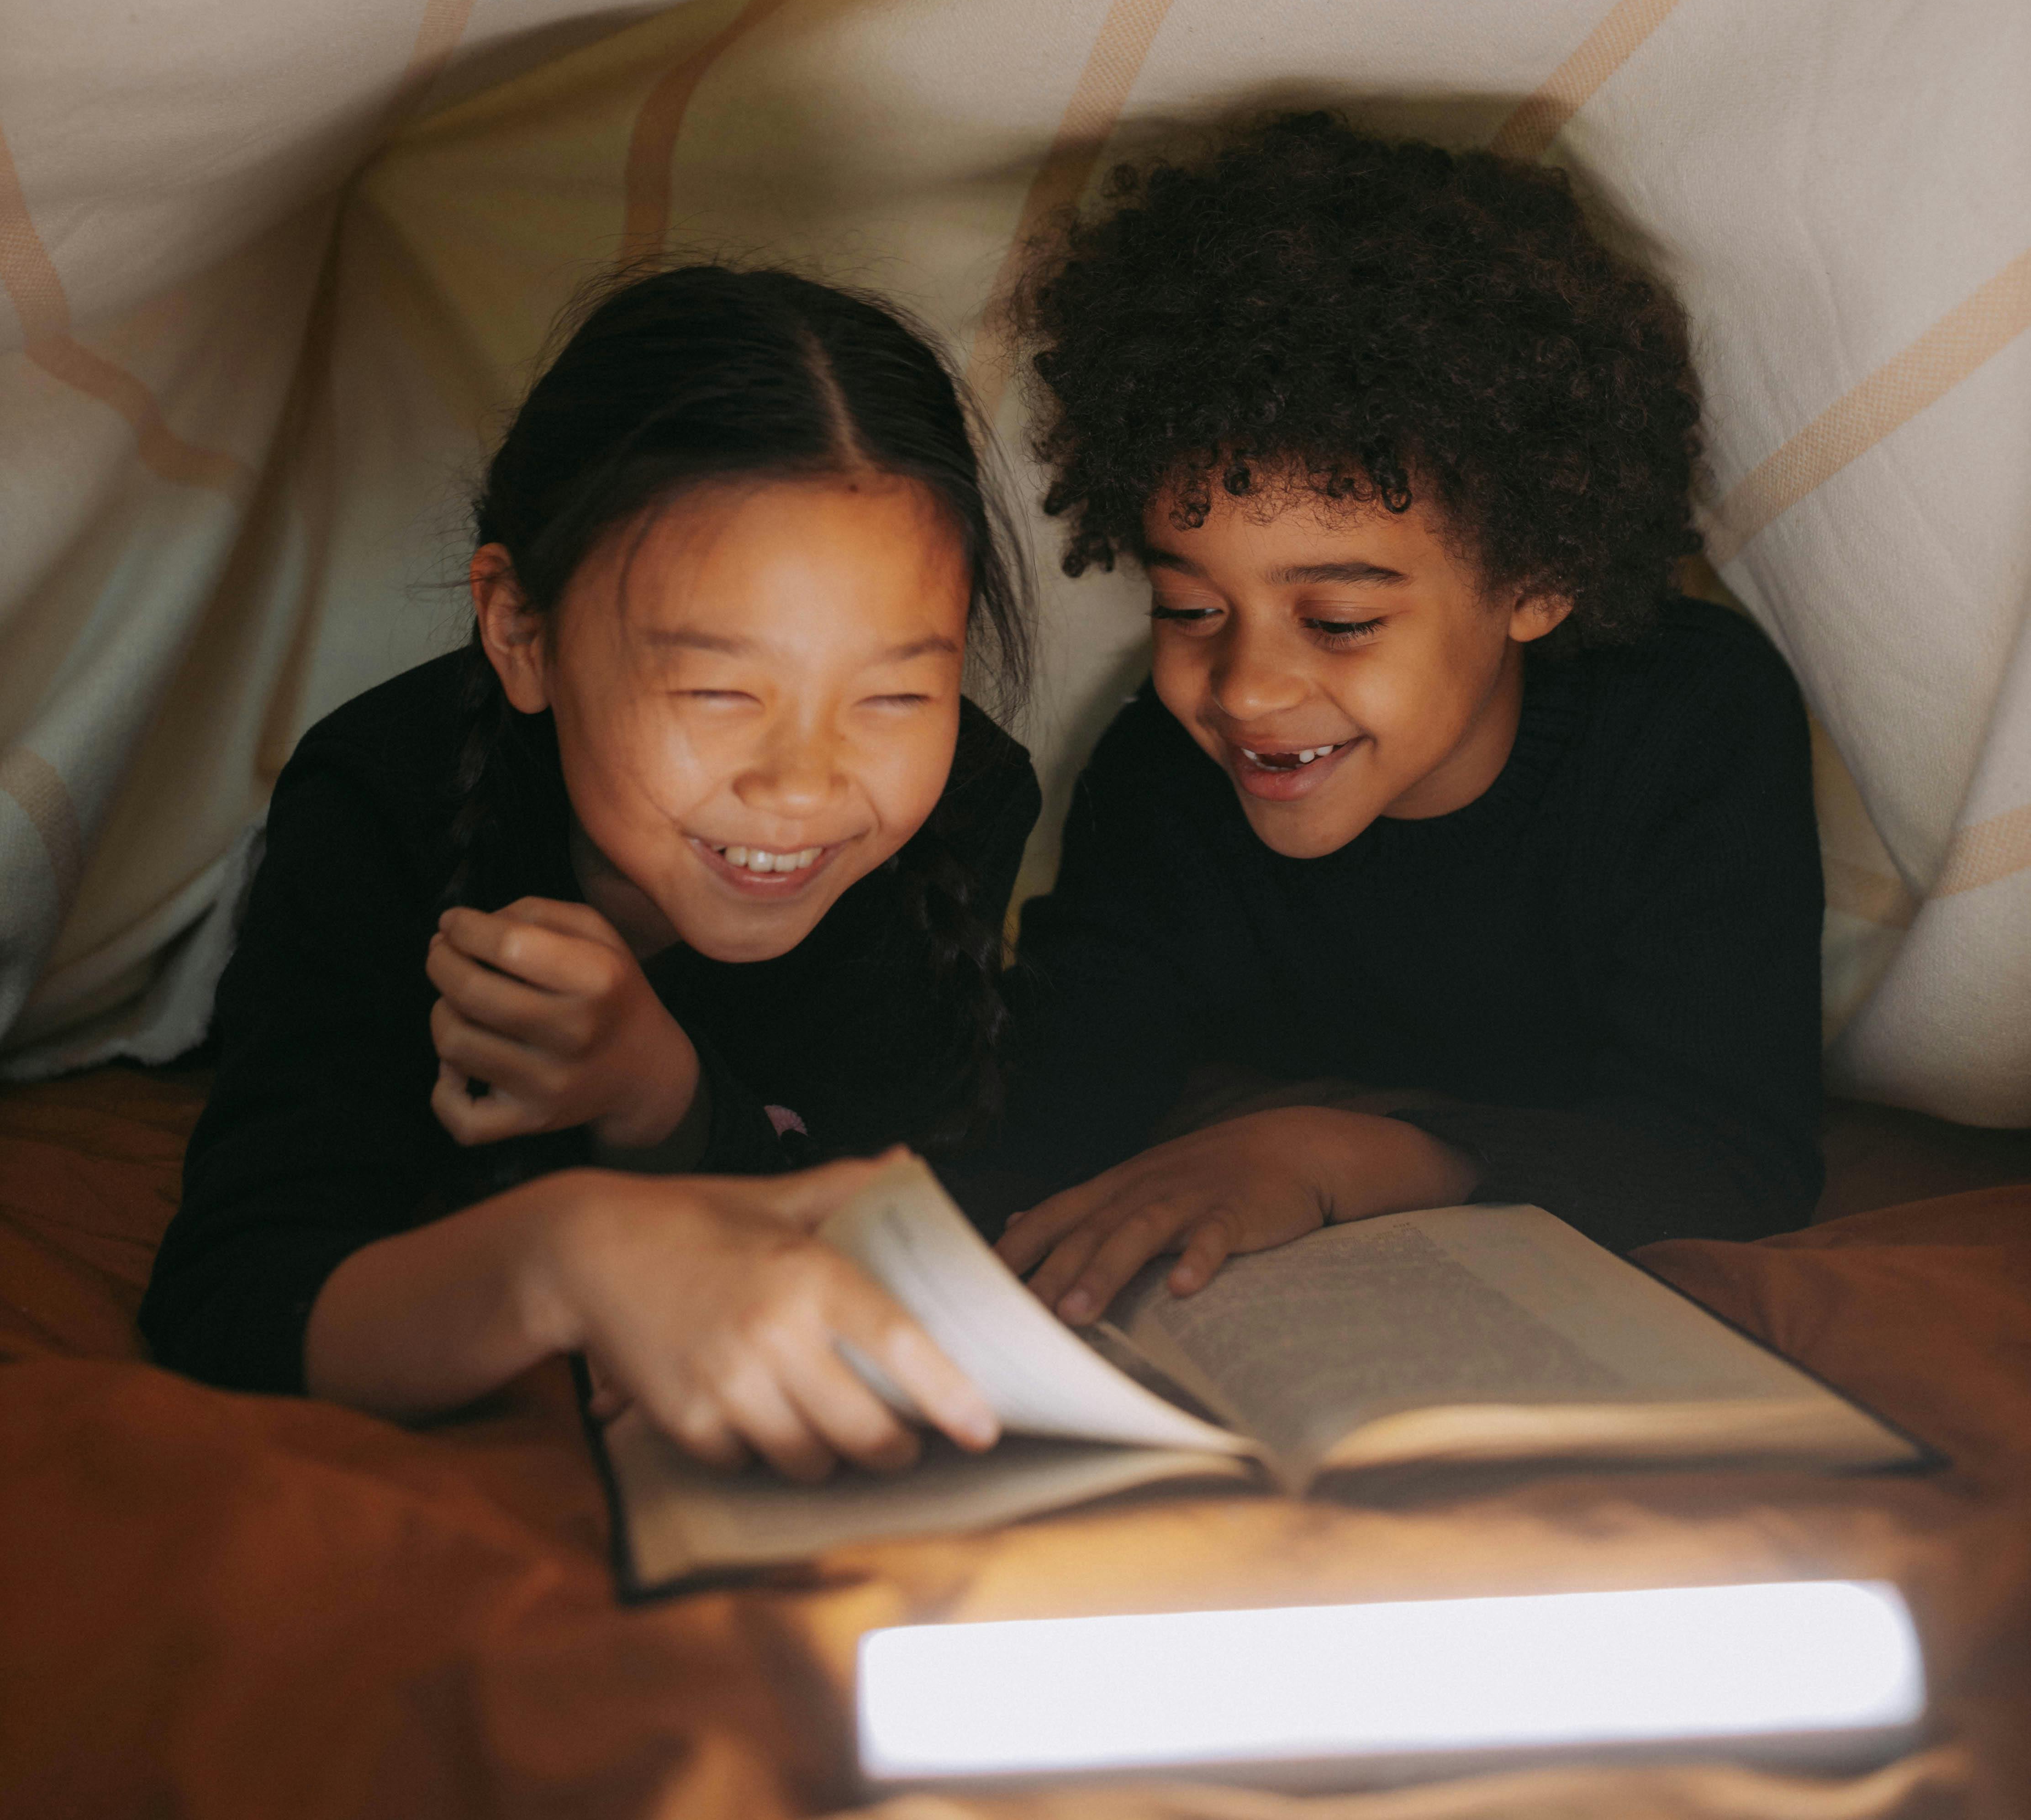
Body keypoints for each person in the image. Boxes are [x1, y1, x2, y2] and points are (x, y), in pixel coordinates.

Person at [143, 264, 1038, 1482]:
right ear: (520, 631)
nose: (805, 783)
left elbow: (905, 1218)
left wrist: (658, 1097)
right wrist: (561, 1255)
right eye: (721, 692)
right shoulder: (380, 800)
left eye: (894, 696)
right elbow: (237, 1299)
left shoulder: (957, 809)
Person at [987, 112, 1824, 1326]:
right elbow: (1041, 1115)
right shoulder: (1163, 780)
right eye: (1189, 606)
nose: (1245, 690)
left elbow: (1732, 1157)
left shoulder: (1685, 727)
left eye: (1336, 621)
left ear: (1538, 577)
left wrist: (1335, 1159)